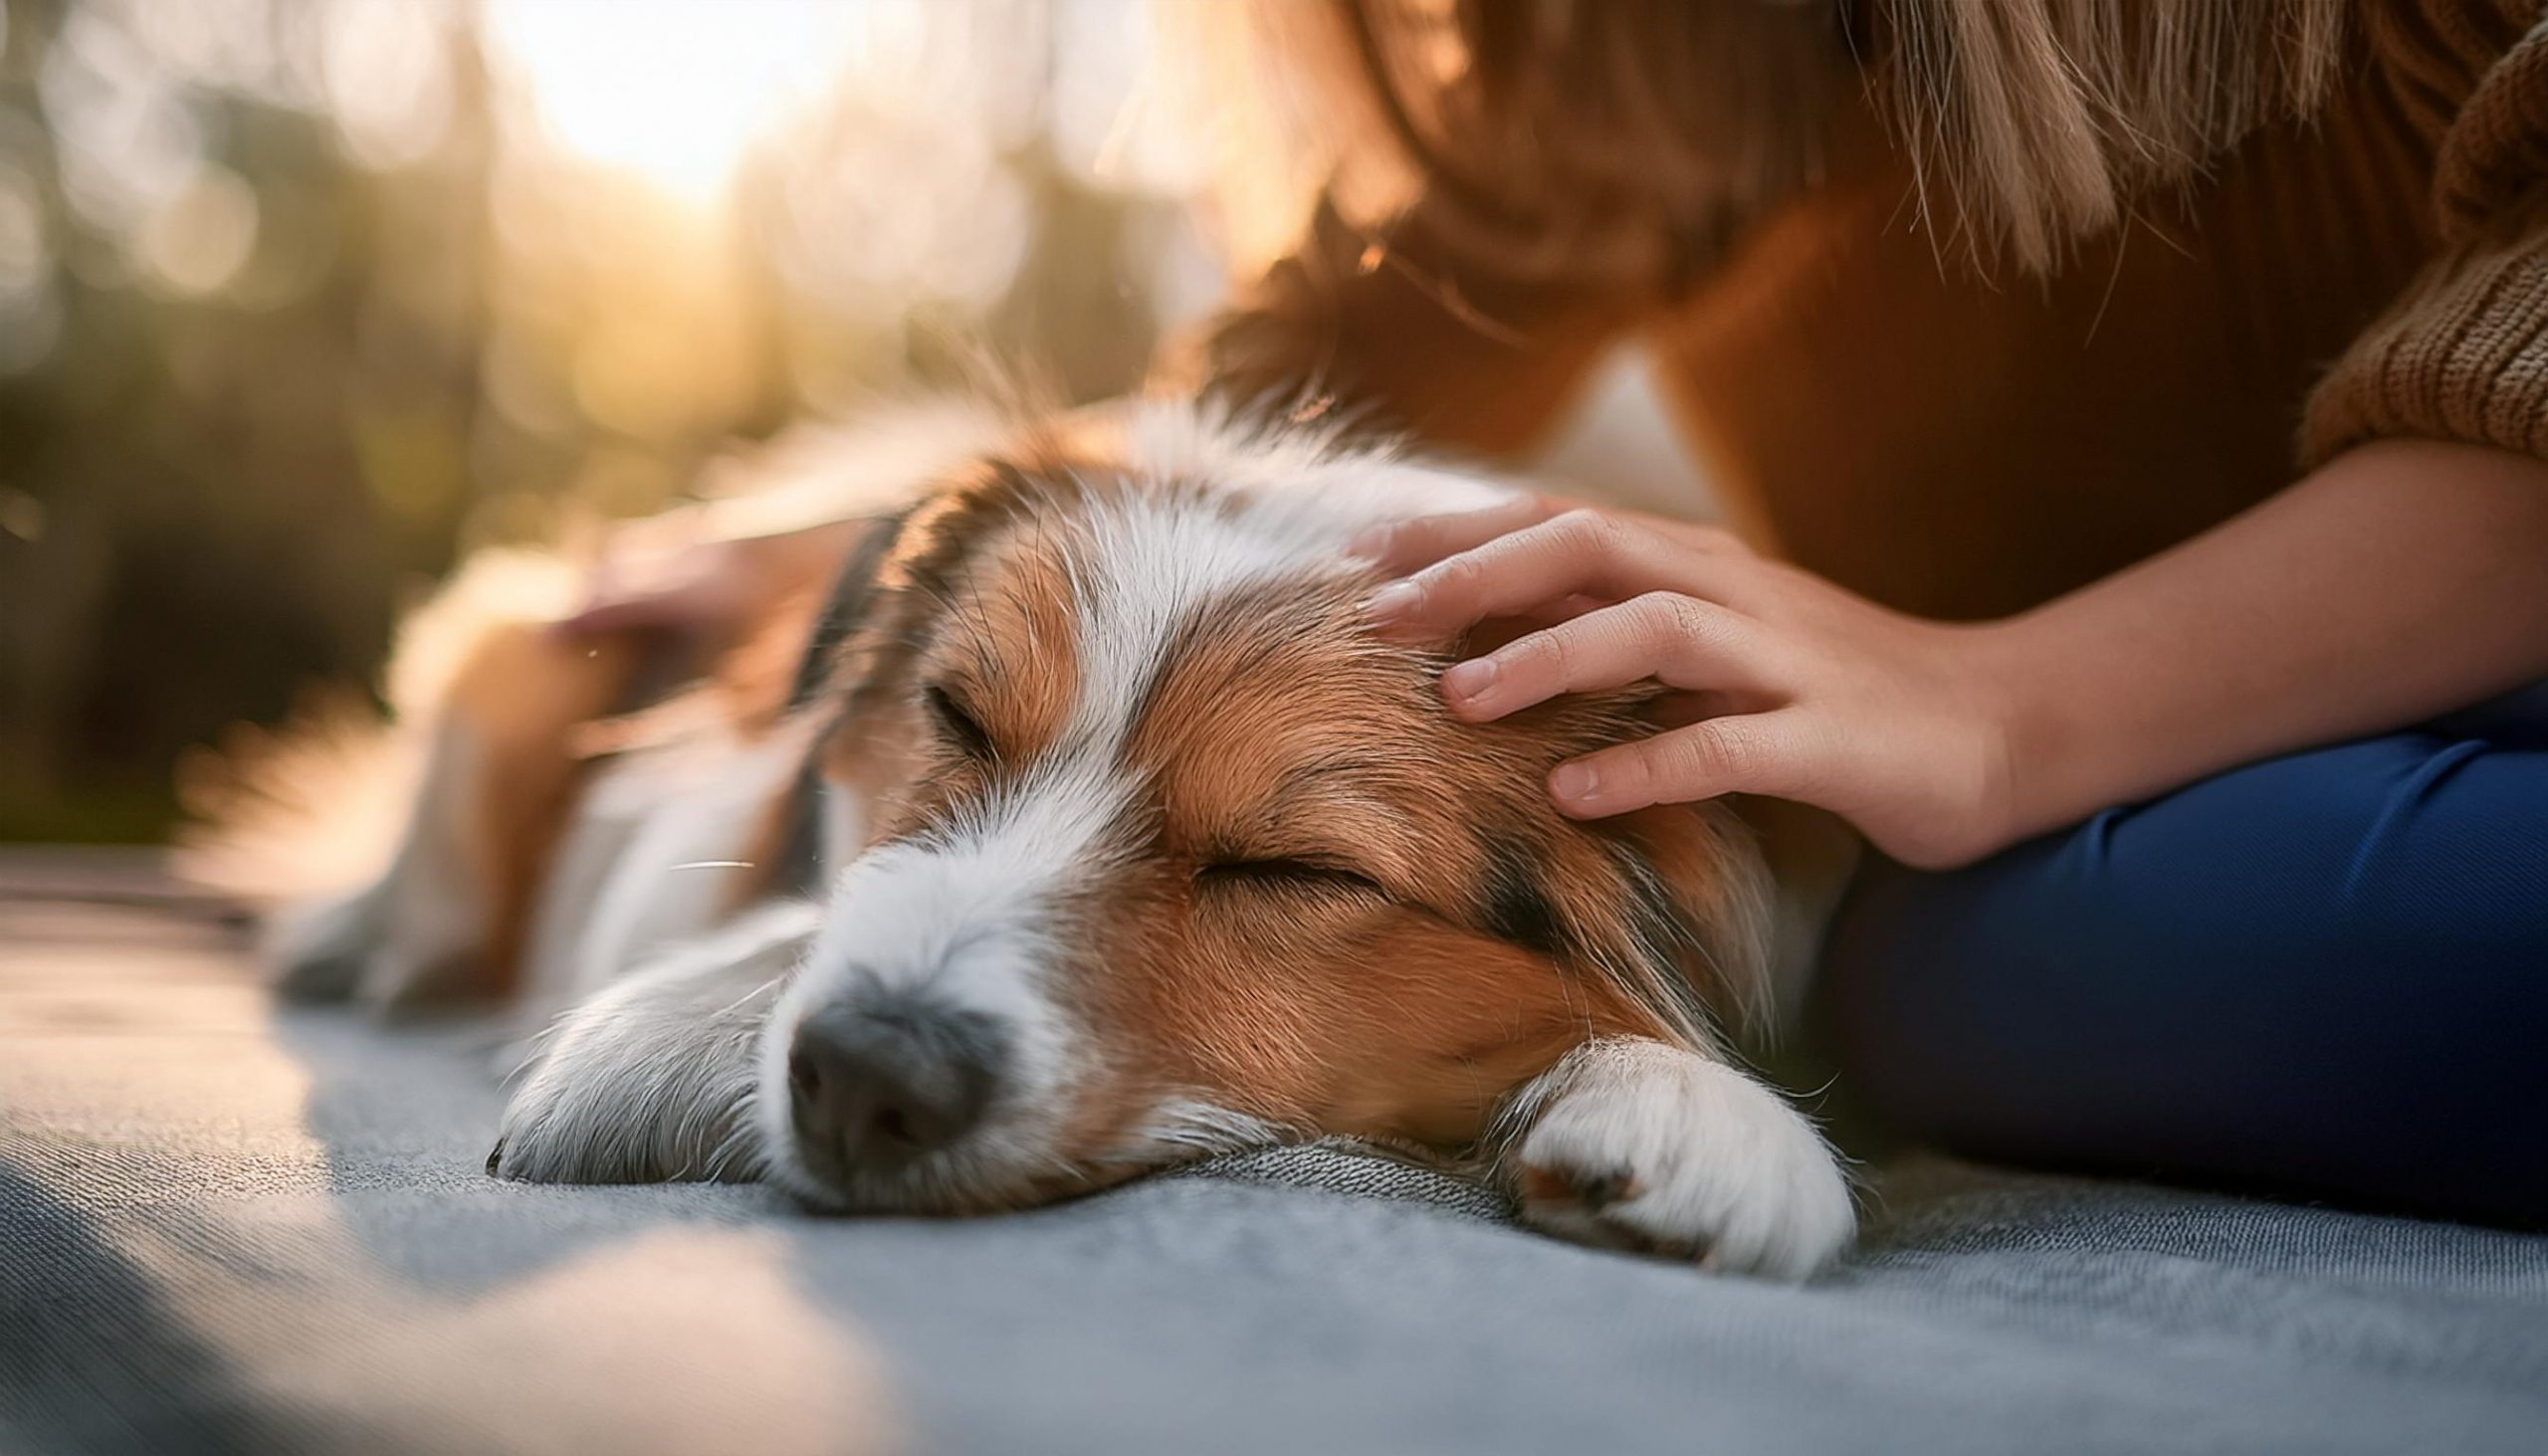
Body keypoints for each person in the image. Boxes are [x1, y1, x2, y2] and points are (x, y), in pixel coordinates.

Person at [572, 2, 2548, 1223]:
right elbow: (1322, 371)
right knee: (1974, 960)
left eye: (1272, 867)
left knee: (2004, 953)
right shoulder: (1657, 59)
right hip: (2099, 813)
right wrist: (843, 551)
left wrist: (1999, 705)